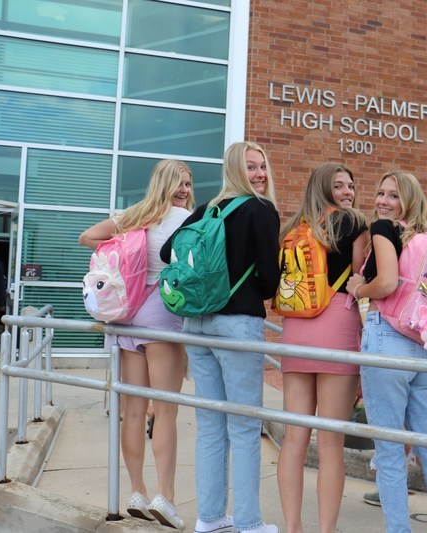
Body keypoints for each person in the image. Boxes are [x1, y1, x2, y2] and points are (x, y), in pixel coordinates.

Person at [161, 141, 280, 533]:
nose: (260, 174)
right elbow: (268, 279)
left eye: (262, 166)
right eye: (252, 167)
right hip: (237, 324)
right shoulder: (261, 210)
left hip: (197, 323)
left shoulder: (205, 209)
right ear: (236, 169)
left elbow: (167, 253)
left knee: (210, 423)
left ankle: (210, 517)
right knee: (245, 426)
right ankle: (248, 522)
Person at [345, 170, 427, 533]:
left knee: (391, 451)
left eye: (393, 195)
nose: (382, 201)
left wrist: (358, 288)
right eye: (380, 192)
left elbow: (388, 283)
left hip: (388, 341)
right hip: (423, 348)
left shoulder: (383, 229)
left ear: (408, 201)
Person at [79, 159, 193, 529]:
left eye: (189, 183)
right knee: (166, 410)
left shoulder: (134, 215)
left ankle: (137, 491)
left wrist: (125, 255)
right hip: (161, 317)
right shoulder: (186, 220)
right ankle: (166, 497)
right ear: (167, 184)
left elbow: (88, 237)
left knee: (133, 409)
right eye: (180, 183)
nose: (185, 190)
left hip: (127, 316)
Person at [275, 163, 368, 533]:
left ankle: (292, 526)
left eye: (351, 185)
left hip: (295, 333)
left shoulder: (293, 228)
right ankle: (325, 530)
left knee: (295, 436)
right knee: (330, 442)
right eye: (339, 185)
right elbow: (364, 274)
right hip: (337, 329)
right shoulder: (355, 222)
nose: (348, 191)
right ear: (324, 189)